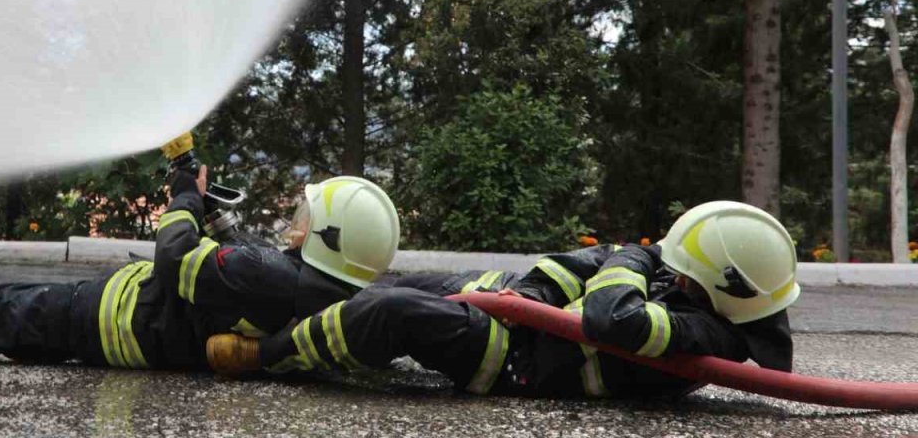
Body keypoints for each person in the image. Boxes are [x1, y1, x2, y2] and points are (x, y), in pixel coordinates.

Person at [0, 167, 401, 370]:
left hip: (111, 319)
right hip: (125, 325)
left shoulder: (270, 277)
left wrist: (184, 197)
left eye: (305, 216)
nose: (294, 222)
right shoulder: (319, 293)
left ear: (327, 237)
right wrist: (214, 214)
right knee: (1, 309)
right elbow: (238, 267)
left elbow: (174, 261)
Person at [206, 201, 798, 400]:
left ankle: (268, 355)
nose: (670, 268)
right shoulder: (704, 298)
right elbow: (577, 267)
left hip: (518, 365)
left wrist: (633, 258)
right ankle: (289, 307)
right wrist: (527, 294)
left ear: (723, 286)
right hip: (517, 315)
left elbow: (610, 315)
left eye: (683, 271)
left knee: (390, 313)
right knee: (385, 289)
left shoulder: (710, 337)